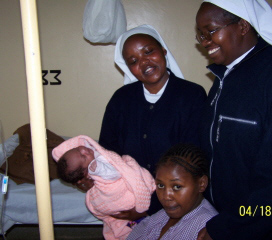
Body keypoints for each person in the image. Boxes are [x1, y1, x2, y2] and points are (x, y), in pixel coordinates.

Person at [99, 24, 207, 214]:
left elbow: (195, 156)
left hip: (178, 201)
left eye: (149, 51)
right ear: (128, 68)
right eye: (133, 60)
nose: (144, 62)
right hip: (130, 197)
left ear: (163, 51)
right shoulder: (120, 100)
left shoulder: (192, 95)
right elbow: (109, 151)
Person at [195, 1, 272, 239]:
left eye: (210, 31)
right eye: (200, 35)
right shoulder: (223, 78)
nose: (205, 41)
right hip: (220, 214)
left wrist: (228, 225)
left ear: (243, 26)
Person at [52, 135, 155, 240]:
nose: (83, 149)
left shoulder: (89, 160)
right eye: (83, 156)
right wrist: (98, 168)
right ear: (86, 173)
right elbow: (113, 173)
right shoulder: (97, 167)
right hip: (118, 193)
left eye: (78, 149)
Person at [126, 143, 218, 240]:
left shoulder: (206, 229)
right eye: (161, 185)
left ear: (201, 184)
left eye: (177, 187)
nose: (166, 196)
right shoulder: (161, 215)